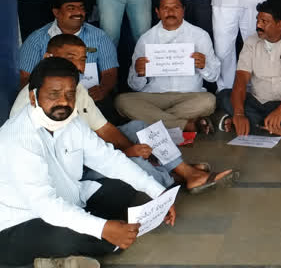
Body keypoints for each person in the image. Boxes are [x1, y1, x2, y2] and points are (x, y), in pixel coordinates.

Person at [0, 57, 176, 267]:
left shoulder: (71, 122)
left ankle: (79, 248)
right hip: (21, 223)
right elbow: (46, 206)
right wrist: (103, 228)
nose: (63, 102)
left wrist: (157, 193)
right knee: (68, 237)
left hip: (70, 201)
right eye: (53, 95)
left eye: (70, 94)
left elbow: (109, 159)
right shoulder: (18, 138)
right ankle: (74, 249)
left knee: (122, 188)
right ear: (33, 97)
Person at [12, 34, 235, 194]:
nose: (79, 67)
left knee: (139, 127)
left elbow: (104, 129)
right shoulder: (37, 96)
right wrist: (127, 151)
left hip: (89, 148)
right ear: (48, 57)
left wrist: (128, 146)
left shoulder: (76, 88)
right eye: (71, 58)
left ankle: (183, 171)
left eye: (82, 59)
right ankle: (170, 181)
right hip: (71, 168)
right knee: (133, 157)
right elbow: (69, 156)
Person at [115, 0, 220, 134]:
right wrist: (139, 73)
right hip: (154, 96)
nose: (170, 12)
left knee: (209, 101)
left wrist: (203, 66)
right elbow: (134, 86)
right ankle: (184, 125)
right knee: (122, 101)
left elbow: (214, 76)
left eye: (175, 7)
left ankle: (151, 120)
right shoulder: (146, 39)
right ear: (157, 12)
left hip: (189, 95)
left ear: (183, 10)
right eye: (165, 8)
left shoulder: (200, 36)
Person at [217, 1, 281, 139]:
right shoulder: (251, 42)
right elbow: (241, 79)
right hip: (257, 102)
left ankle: (253, 125)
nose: (258, 25)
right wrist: (238, 114)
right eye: (258, 20)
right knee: (224, 96)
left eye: (264, 21)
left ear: (280, 24)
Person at [19, 0, 118, 119]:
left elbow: (110, 73)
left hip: (91, 98)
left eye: (81, 8)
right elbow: (25, 78)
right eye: (71, 8)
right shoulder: (36, 40)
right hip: (52, 101)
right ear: (56, 12)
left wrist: (102, 90)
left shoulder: (99, 36)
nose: (78, 12)